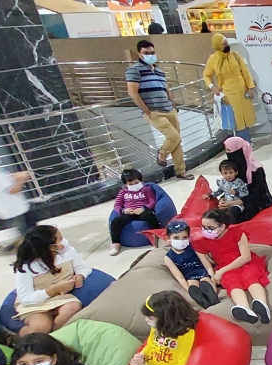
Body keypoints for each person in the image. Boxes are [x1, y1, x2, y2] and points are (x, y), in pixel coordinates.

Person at [126, 41, 193, 180]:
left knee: (177, 142)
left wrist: (173, 104)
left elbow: (166, 88)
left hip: (169, 109)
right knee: (174, 137)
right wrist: (147, 111)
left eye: (152, 52)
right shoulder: (134, 70)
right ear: (139, 54)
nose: (150, 55)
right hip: (154, 111)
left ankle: (181, 171)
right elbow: (133, 92)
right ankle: (162, 154)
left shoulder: (159, 70)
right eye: (146, 53)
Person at [193, 209, 271, 324]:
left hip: (244, 262)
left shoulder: (237, 232)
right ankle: (243, 308)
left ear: (222, 226)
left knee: (249, 276)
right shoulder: (200, 242)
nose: (205, 231)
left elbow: (245, 257)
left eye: (210, 228)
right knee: (231, 282)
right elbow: (207, 265)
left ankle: (261, 304)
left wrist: (221, 271)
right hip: (224, 267)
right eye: (203, 227)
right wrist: (213, 276)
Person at [12, 226, 90, 335]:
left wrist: (80, 275)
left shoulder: (69, 252)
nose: (64, 241)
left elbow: (83, 267)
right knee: (41, 326)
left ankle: (52, 339)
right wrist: (52, 290)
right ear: (50, 247)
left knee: (72, 308)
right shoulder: (27, 266)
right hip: (36, 302)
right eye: (60, 238)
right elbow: (26, 298)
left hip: (62, 298)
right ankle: (19, 340)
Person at [204, 34, 258, 142]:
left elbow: (245, 72)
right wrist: (212, 87)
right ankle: (242, 143)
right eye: (224, 44)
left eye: (227, 43)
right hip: (228, 94)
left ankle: (246, 141)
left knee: (246, 116)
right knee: (236, 120)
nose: (227, 46)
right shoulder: (213, 59)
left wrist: (250, 88)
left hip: (243, 91)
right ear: (218, 46)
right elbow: (206, 75)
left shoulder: (235, 55)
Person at [162, 220, 218, 309]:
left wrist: (213, 279)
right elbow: (180, 277)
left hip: (202, 271)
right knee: (192, 284)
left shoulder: (194, 246)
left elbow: (207, 265)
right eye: (176, 238)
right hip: (189, 276)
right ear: (168, 238)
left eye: (184, 237)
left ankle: (212, 296)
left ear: (189, 237)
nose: (181, 241)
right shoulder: (168, 258)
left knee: (205, 281)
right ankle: (201, 299)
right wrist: (188, 289)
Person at [108, 169, 161, 256]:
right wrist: (123, 211)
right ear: (126, 184)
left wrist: (143, 208)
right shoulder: (123, 193)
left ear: (141, 181)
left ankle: (158, 238)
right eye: (130, 184)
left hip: (142, 211)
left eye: (136, 183)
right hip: (129, 213)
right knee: (116, 222)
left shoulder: (146, 190)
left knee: (151, 217)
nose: (134, 185)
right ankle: (115, 243)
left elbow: (152, 201)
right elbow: (117, 205)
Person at [224, 136, 272, 220]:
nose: (227, 153)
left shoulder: (255, 170)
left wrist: (235, 203)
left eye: (229, 150)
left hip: (257, 203)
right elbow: (228, 185)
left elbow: (258, 195)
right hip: (236, 201)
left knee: (233, 218)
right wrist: (223, 200)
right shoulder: (233, 168)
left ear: (237, 151)